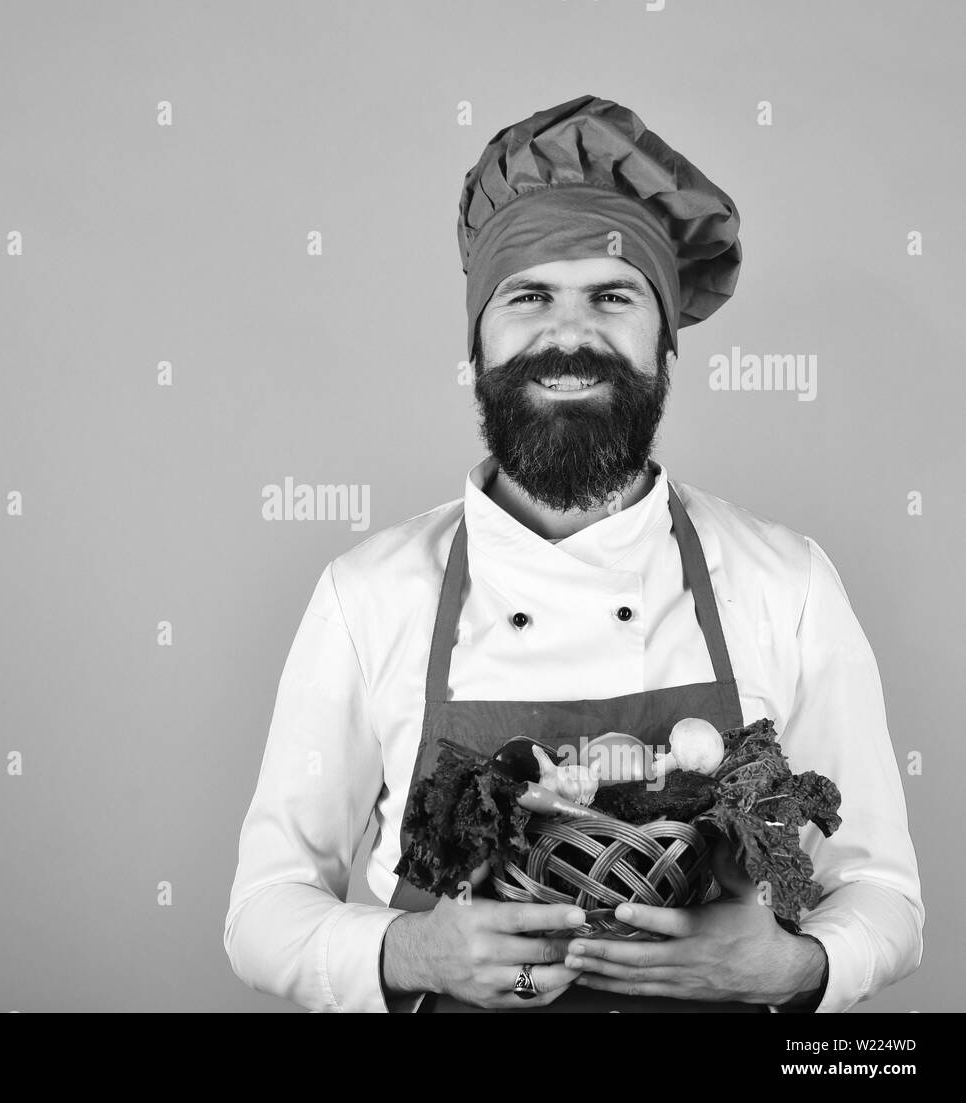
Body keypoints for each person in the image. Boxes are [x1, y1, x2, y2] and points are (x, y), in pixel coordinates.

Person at [223, 94, 923, 1013]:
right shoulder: (370, 595)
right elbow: (263, 910)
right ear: (479, 336)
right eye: (529, 295)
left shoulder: (784, 582)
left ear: (664, 340)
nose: (569, 335)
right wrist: (416, 953)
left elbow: (885, 894)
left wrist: (793, 967)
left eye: (612, 296)